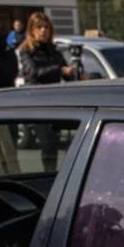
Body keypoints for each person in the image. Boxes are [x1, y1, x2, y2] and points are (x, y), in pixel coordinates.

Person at [16, 11, 80, 171]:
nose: (43, 31)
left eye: (46, 27)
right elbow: (32, 73)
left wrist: (76, 73)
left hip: (55, 102)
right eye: (39, 27)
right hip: (37, 103)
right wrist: (59, 70)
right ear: (32, 30)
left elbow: (66, 74)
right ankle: (48, 175)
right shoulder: (26, 50)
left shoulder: (54, 51)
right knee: (47, 143)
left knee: (56, 145)